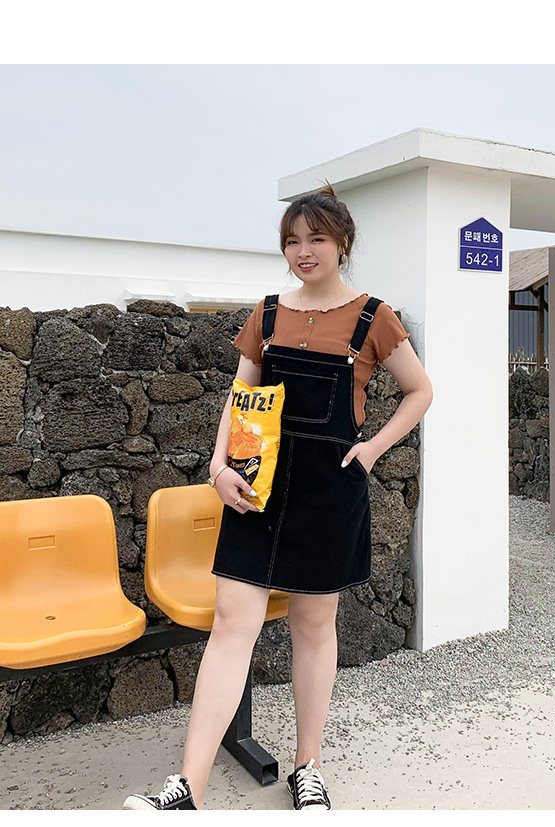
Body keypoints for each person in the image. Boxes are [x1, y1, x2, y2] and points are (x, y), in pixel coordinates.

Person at [122, 182, 434, 810]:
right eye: (292, 241)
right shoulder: (266, 314)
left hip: (328, 490)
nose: (303, 251)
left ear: (343, 243)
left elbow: (420, 390)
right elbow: (241, 398)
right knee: (231, 626)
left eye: (316, 238)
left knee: (314, 629)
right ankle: (189, 788)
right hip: (254, 487)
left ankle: (307, 766)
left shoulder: (374, 317)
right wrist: (218, 466)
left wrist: (372, 449)